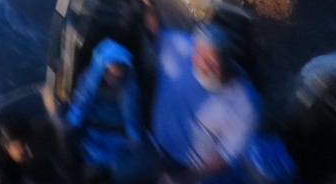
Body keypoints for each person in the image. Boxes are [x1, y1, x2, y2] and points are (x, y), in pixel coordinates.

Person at [149, 20, 260, 184]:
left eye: (212, 59)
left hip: (191, 170)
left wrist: (183, 178)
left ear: (228, 59)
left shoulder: (247, 105)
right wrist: (145, 2)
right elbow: (156, 29)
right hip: (154, 148)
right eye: (199, 55)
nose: (203, 65)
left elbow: (226, 156)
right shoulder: (182, 48)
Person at [67, 38, 144, 182]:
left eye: (119, 76)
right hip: (93, 127)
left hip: (116, 130)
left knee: (112, 165)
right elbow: (80, 102)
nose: (115, 80)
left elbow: (131, 113)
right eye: (112, 74)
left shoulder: (129, 87)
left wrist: (134, 136)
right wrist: (72, 120)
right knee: (90, 162)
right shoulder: (90, 79)